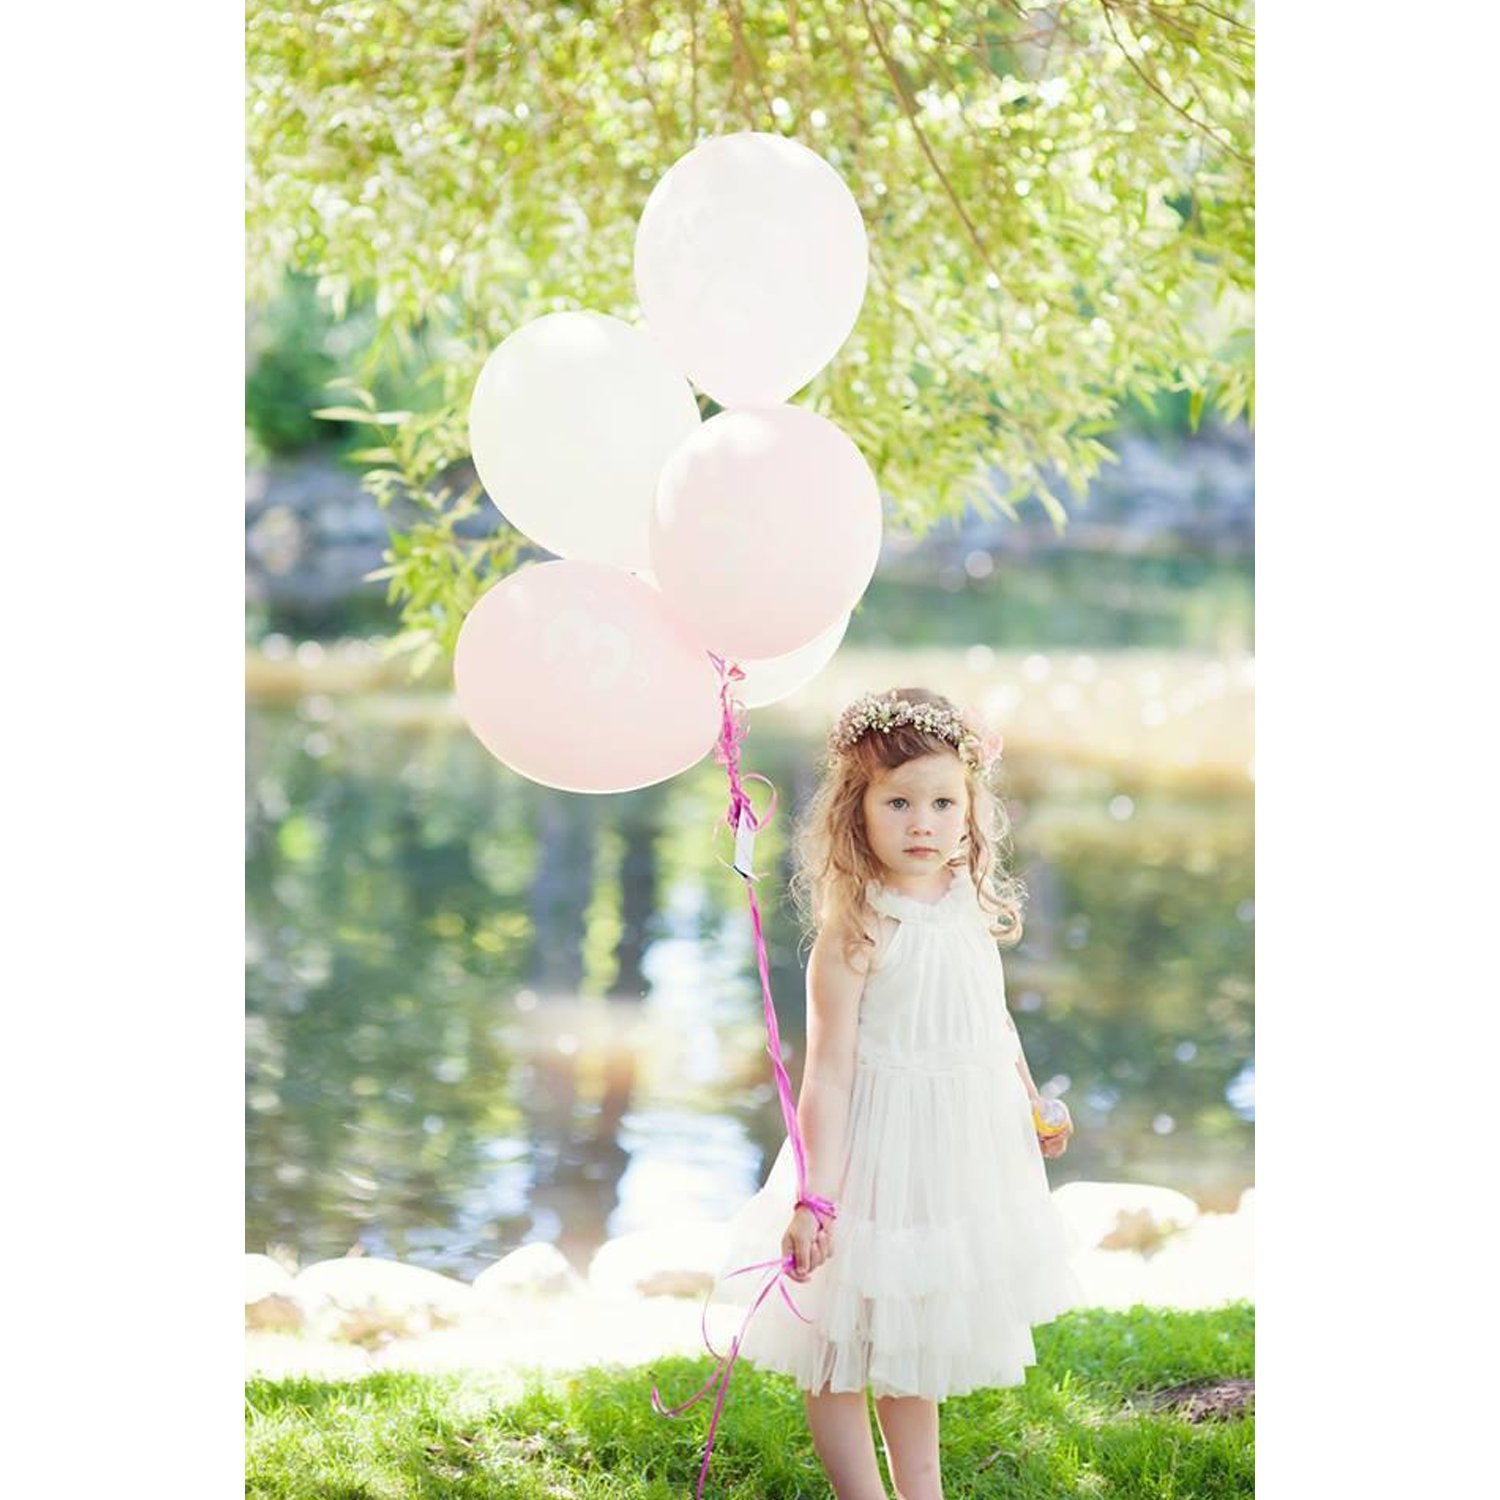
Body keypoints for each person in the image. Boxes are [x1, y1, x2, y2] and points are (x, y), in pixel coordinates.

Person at [710, 686, 1083, 1500]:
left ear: (970, 811)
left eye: (943, 802)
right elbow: (829, 1073)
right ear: (858, 812)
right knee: (838, 1342)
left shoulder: (967, 904)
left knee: (912, 1332)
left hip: (946, 1157)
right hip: (865, 1156)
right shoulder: (855, 931)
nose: (923, 823)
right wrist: (816, 1197)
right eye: (899, 803)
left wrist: (1029, 1103)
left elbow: (991, 1020)